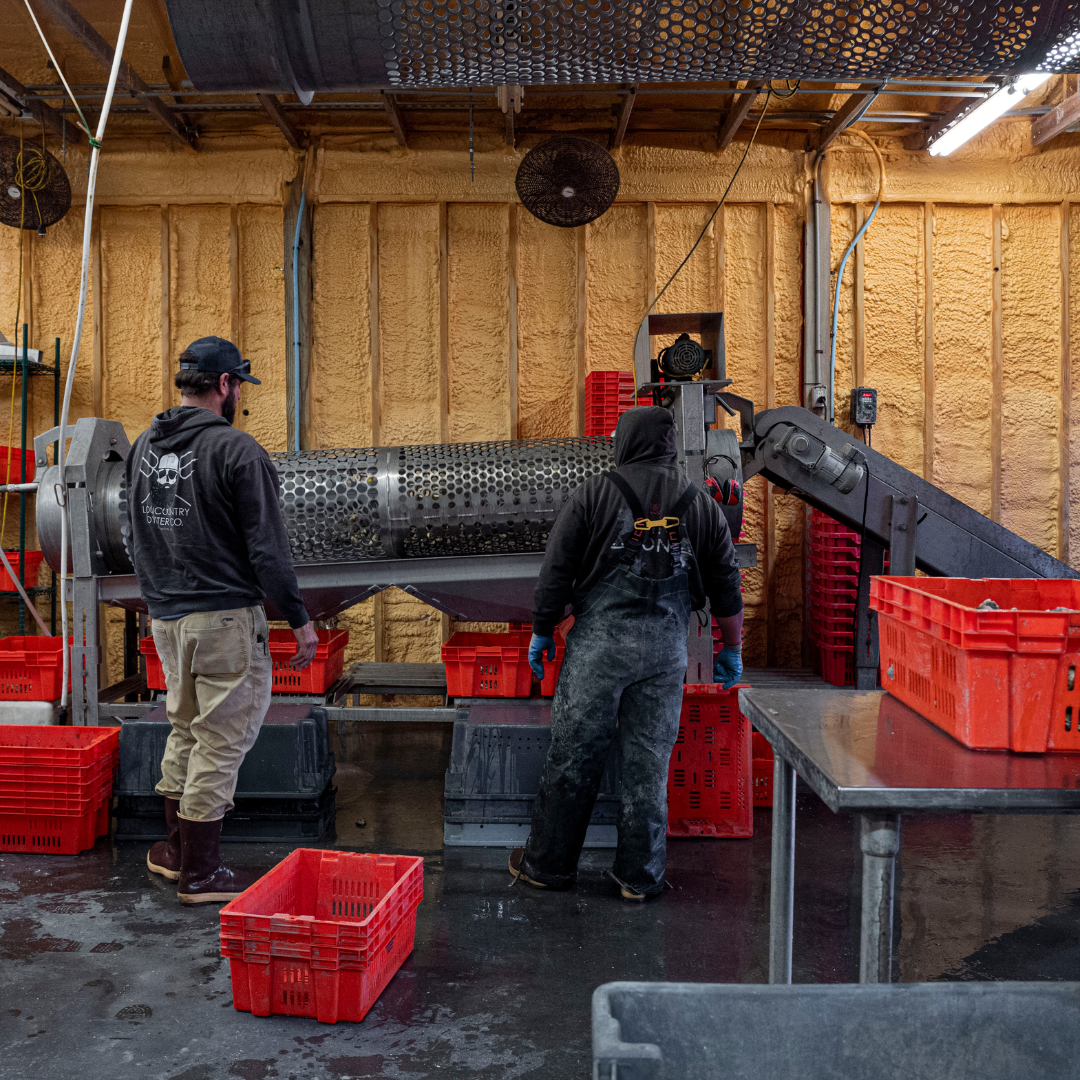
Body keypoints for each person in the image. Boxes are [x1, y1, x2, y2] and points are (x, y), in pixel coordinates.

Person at [511, 405, 744, 901]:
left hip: (599, 651)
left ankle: (548, 866)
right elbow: (727, 584)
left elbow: (556, 571)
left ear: (623, 443)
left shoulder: (594, 494)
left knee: (574, 756)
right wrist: (733, 648)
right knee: (649, 764)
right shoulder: (700, 503)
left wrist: (541, 631)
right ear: (668, 445)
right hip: (664, 654)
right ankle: (639, 877)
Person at [125, 336, 319, 905]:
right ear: (227, 385)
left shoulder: (143, 447)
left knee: (184, 728)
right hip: (224, 620)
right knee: (220, 740)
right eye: (238, 386)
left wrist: (158, 597)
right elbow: (268, 551)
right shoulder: (237, 451)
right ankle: (202, 874)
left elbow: (131, 533)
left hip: (166, 618)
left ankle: (177, 851)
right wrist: (299, 619)